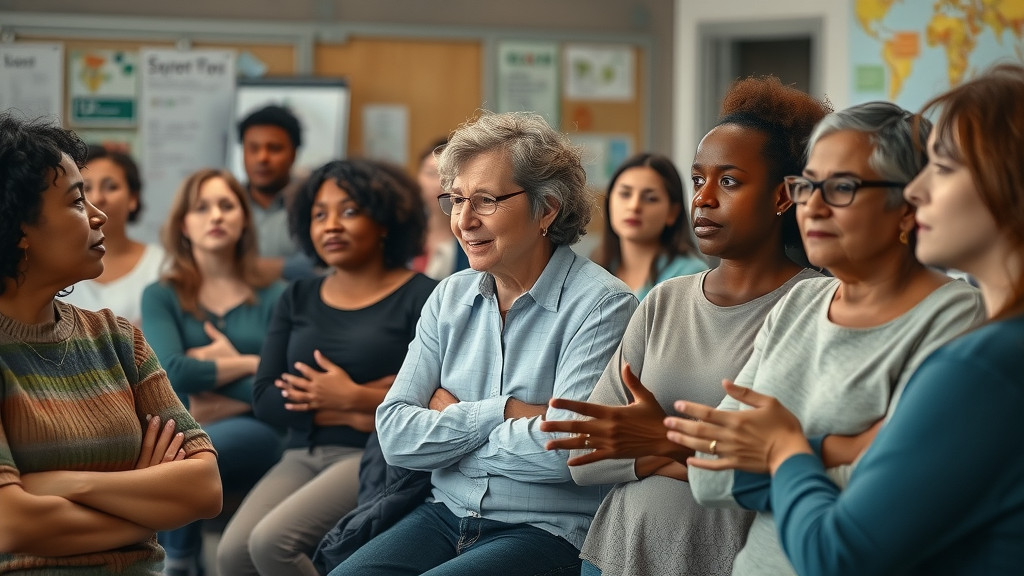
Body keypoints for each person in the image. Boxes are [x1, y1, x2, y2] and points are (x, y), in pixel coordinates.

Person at [664, 63, 1024, 576]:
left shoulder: (969, 335)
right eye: (807, 186)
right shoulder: (801, 301)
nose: (811, 208)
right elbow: (707, 473)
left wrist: (784, 447)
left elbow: (861, 530)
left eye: (842, 187)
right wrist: (839, 449)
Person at [539, 76, 830, 576]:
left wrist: (655, 440)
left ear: (784, 196)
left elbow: (782, 466)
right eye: (698, 180)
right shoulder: (665, 300)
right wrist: (675, 451)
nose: (704, 199)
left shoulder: (816, 304)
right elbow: (584, 456)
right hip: (615, 554)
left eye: (729, 182)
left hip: (724, 560)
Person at [328, 111, 638, 576]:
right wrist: (505, 412)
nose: (464, 221)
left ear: (547, 209)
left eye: (486, 201)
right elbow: (394, 434)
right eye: (456, 200)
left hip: (547, 529)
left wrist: (451, 421)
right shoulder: (448, 296)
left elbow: (568, 452)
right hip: (443, 513)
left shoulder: (603, 304)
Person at [0, 114, 221, 573]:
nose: (98, 215)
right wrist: (145, 500)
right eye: (77, 201)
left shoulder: (118, 338)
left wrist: (67, 484)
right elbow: (12, 523)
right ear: (19, 228)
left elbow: (204, 488)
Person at [216, 159, 437, 576]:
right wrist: (356, 405)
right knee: (232, 555)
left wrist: (353, 397)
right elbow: (265, 398)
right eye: (319, 215)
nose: (331, 226)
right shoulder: (297, 296)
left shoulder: (424, 296)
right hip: (302, 451)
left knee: (272, 544)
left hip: (373, 455)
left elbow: (434, 399)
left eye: (349, 211)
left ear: (385, 220)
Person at [141, 169, 286, 576]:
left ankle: (176, 563)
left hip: (262, 431)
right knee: (178, 448)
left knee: (190, 453)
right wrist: (251, 364)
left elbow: (283, 389)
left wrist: (214, 382)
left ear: (244, 219)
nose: (216, 216)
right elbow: (172, 373)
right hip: (182, 425)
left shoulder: (277, 295)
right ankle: (182, 561)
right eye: (202, 207)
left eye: (226, 205)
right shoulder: (161, 295)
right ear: (183, 225)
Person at [63, 145, 165, 326]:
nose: (97, 198)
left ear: (133, 198)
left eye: (110, 187)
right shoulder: (57, 266)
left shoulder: (162, 265)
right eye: (86, 188)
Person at [594, 153, 707, 300]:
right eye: (625, 194)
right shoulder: (596, 270)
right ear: (609, 202)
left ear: (672, 212)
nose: (634, 206)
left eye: (650, 198)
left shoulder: (690, 276)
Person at [238, 104, 316, 281]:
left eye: (274, 148)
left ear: (294, 154)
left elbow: (325, 263)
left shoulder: (313, 203)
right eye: (253, 148)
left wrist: (252, 267)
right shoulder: (226, 204)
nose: (262, 158)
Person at [411, 137, 471, 279]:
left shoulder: (472, 231)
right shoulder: (405, 227)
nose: (438, 184)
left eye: (448, 176)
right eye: (431, 173)